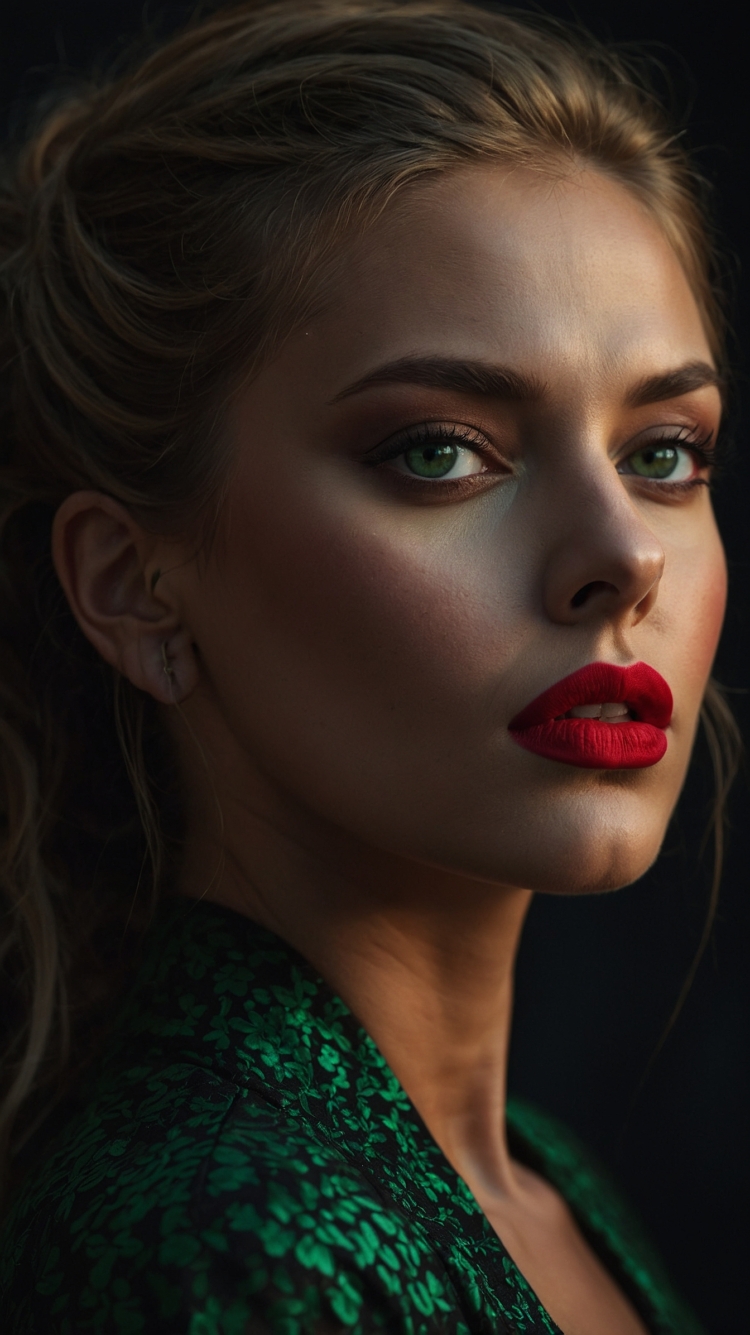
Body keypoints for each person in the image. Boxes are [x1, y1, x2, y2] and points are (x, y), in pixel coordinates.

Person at [0, 1, 738, 1331]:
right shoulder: (217, 1246)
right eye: (440, 452)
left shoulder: (547, 1185)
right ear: (132, 584)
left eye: (662, 454)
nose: (621, 556)